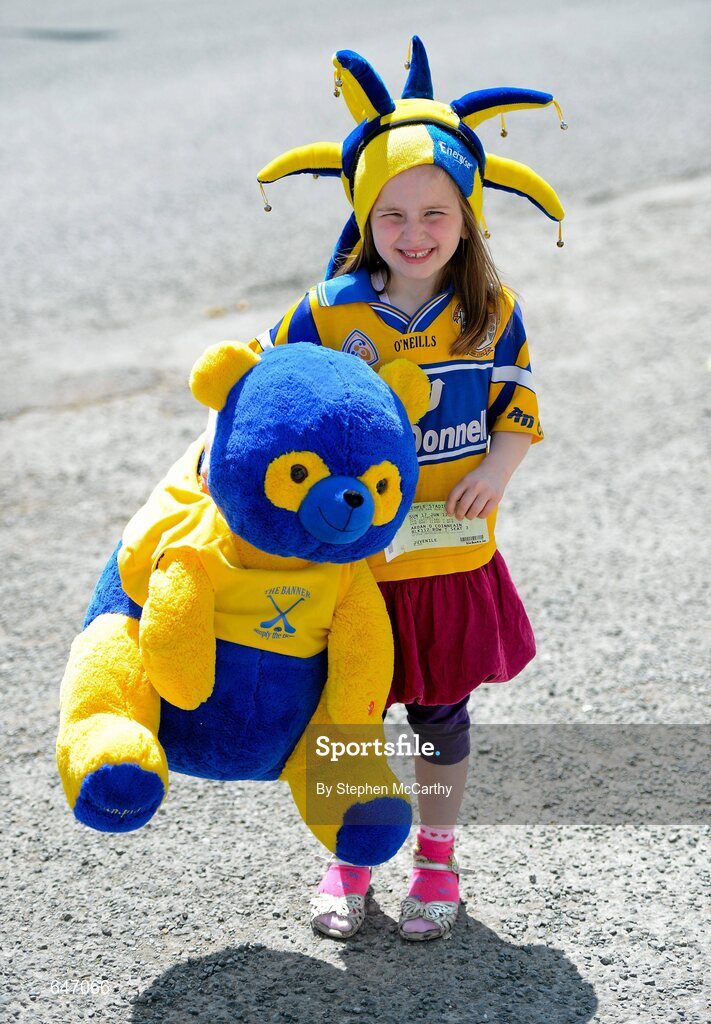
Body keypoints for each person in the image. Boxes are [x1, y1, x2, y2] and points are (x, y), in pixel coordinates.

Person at [204, 37, 566, 941]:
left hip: (446, 554)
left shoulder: (491, 310)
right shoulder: (329, 308)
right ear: (365, 217)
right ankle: (352, 853)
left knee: (439, 716)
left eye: (434, 212)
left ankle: (437, 862)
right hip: (350, 560)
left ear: (469, 214)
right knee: (347, 712)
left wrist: (495, 468)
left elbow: (518, 401)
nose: (414, 232)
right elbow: (270, 388)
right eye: (392, 213)